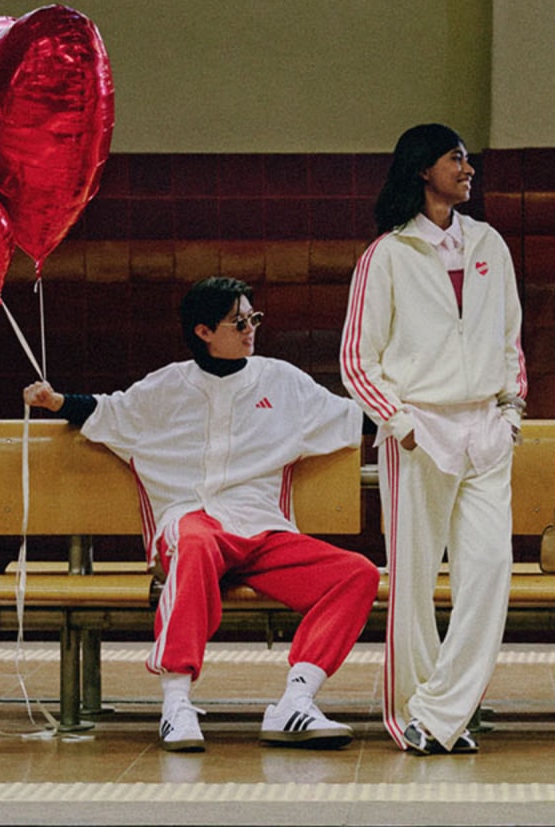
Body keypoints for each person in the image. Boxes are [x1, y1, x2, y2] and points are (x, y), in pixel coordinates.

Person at [21, 277, 379, 753]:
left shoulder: (283, 381)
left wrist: (422, 411)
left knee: (355, 573)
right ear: (204, 331)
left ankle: (296, 700)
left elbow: (356, 418)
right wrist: (55, 401)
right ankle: (176, 703)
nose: (251, 328)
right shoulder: (166, 386)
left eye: (254, 318)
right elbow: (107, 411)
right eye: (239, 321)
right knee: (195, 542)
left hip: (261, 529)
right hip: (193, 523)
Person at [341, 123, 526, 755]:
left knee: (489, 572)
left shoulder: (489, 243)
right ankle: (409, 715)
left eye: (468, 158)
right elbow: (356, 362)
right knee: (414, 584)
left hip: (486, 431)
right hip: (418, 430)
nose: (469, 168)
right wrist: (402, 424)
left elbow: (510, 339)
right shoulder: (387, 254)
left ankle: (443, 710)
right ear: (424, 169)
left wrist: (511, 413)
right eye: (457, 158)